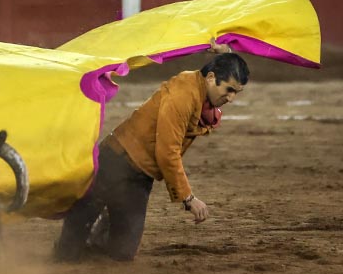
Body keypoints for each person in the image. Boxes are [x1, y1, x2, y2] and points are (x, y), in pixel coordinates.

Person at [54, 41, 249, 262]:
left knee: (122, 252)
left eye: (236, 92)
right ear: (211, 78)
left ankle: (106, 222)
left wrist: (227, 55)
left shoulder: (202, 91)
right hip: (116, 160)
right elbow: (167, 152)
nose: (231, 98)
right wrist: (188, 198)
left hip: (140, 175)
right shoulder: (182, 95)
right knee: (68, 250)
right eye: (229, 90)